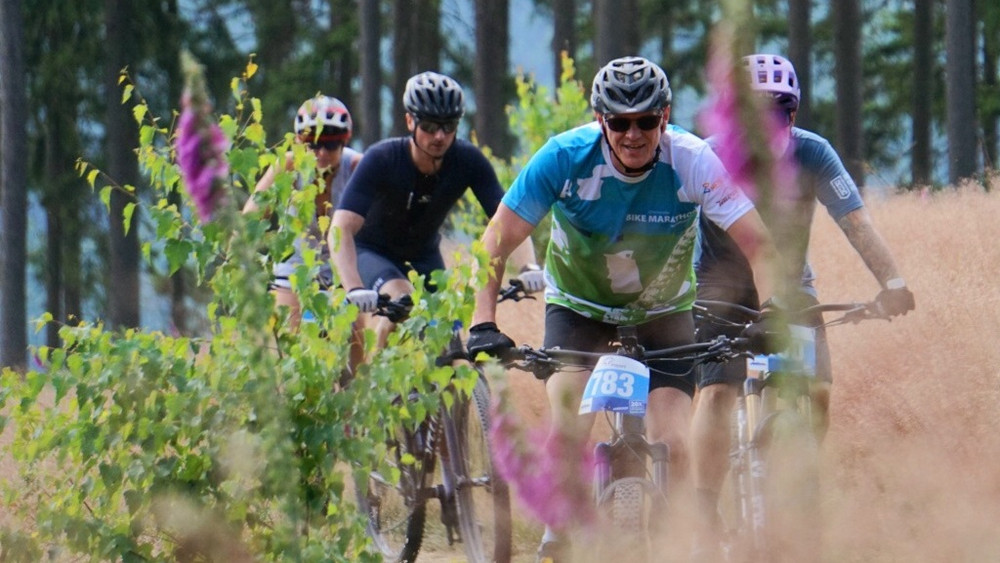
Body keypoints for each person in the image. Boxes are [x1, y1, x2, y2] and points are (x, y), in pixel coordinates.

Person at [463, 56, 783, 563]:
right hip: (579, 308)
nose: (633, 135)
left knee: (674, 443)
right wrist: (482, 323)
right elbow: (496, 243)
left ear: (666, 116)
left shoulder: (693, 159)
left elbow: (759, 246)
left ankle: (674, 539)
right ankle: (559, 532)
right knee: (570, 420)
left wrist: (774, 311)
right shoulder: (563, 158)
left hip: (664, 313)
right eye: (619, 122)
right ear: (599, 120)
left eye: (646, 121)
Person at [688, 53, 916, 558]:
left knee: (817, 393)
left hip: (792, 288)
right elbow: (672, 233)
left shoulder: (813, 153)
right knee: (717, 394)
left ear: (793, 115)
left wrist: (893, 281)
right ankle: (705, 504)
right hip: (719, 289)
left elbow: (856, 222)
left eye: (781, 113)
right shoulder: (705, 156)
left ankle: (799, 475)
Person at [330, 70, 542, 357]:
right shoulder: (381, 158)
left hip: (424, 255)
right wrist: (354, 286)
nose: (440, 136)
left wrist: (529, 268)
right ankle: (376, 384)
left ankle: (452, 398)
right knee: (404, 300)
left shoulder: (468, 160)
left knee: (447, 333)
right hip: (373, 252)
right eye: (429, 126)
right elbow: (341, 227)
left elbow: (510, 219)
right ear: (409, 121)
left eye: (449, 125)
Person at [243, 94, 363, 329]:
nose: (322, 153)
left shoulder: (358, 168)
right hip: (295, 268)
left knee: (357, 339)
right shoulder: (287, 166)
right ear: (298, 142)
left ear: (344, 142)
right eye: (313, 144)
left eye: (330, 144)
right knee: (288, 339)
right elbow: (251, 218)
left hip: (346, 270)